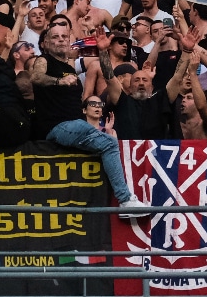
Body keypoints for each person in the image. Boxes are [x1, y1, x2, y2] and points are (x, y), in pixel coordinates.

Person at [32, 22, 148, 215]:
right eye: (55, 37)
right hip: (58, 125)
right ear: (45, 42)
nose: (60, 40)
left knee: (108, 141)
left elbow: (106, 75)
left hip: (74, 125)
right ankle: (126, 201)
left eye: (64, 36)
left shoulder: (68, 67)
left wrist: (103, 51)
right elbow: (35, 77)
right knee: (110, 144)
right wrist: (58, 81)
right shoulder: (43, 60)